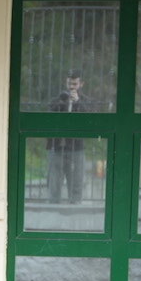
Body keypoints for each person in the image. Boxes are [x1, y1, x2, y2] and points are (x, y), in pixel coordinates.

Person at [47, 68, 90, 203]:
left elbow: (90, 119)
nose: (72, 87)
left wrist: (77, 102)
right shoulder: (58, 98)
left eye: (75, 84)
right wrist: (62, 102)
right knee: (54, 181)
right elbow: (49, 114)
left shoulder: (85, 101)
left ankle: (75, 206)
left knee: (76, 180)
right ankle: (53, 207)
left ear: (81, 84)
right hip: (56, 146)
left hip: (76, 148)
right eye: (69, 84)